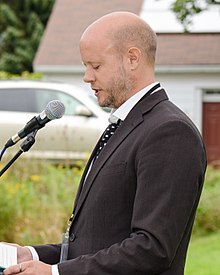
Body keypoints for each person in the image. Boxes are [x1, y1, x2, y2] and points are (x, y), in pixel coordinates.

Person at [3, 11, 207, 275]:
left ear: (132, 58)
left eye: (96, 66)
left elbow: (152, 249)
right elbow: (92, 242)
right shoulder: (122, 125)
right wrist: (29, 254)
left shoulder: (170, 132)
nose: (87, 77)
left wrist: (56, 273)